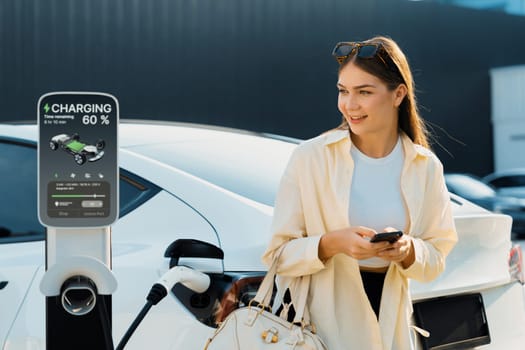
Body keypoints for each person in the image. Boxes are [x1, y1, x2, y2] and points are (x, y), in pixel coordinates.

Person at [262, 36, 458, 350]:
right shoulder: (310, 157)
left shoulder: (425, 166)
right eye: (343, 91)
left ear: (398, 94)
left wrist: (408, 250)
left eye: (364, 92)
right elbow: (278, 256)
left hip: (391, 323)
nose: (349, 105)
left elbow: (436, 259)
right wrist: (331, 244)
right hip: (320, 329)